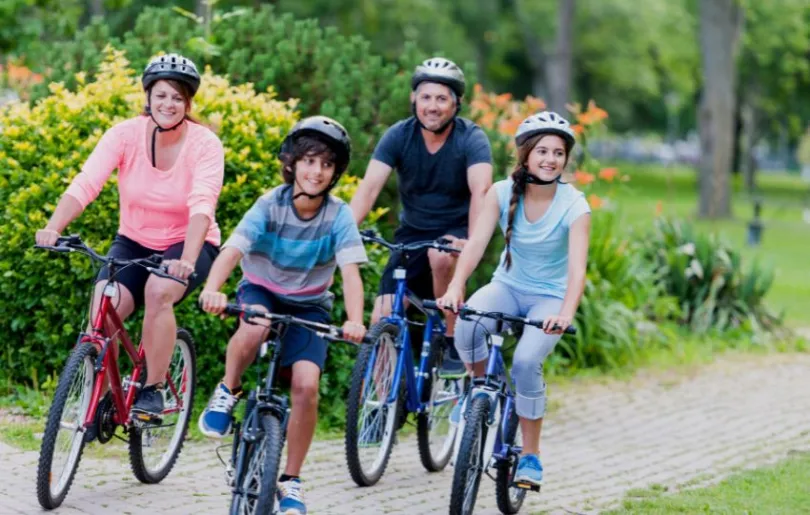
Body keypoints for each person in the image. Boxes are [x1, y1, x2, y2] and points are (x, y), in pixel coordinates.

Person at [35, 53, 224, 422]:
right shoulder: (124, 135)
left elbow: (202, 203)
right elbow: (87, 182)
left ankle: (152, 389)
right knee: (103, 308)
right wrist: (53, 227)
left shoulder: (204, 144)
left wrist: (187, 258)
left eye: (177, 97)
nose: (168, 104)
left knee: (159, 291)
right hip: (135, 240)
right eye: (161, 95)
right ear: (148, 96)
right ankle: (102, 394)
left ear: (188, 103)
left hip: (188, 243)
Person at [198, 116, 367, 515]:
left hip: (309, 305)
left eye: (326, 165)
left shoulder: (338, 215)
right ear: (292, 163)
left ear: (335, 173)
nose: (316, 171)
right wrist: (212, 288)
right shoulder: (270, 204)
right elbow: (234, 249)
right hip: (262, 290)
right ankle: (228, 388)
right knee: (255, 324)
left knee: (307, 385)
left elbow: (350, 273)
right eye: (309, 161)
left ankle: (291, 480)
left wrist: (355, 319)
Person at [437, 111, 591, 487]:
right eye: (542, 151)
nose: (550, 159)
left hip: (549, 299)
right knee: (469, 325)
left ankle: (531, 456)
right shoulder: (502, 192)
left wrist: (566, 313)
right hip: (507, 286)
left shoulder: (575, 206)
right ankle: (476, 390)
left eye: (558, 152)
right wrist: (457, 285)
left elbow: (577, 271)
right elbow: (475, 244)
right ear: (525, 155)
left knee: (525, 362)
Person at [350, 57, 493, 376]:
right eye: (426, 97)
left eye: (442, 98)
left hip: (453, 237)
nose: (433, 106)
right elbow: (369, 189)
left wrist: (470, 243)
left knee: (440, 255)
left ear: (456, 104)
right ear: (414, 99)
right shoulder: (399, 135)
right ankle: (382, 404)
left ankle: (453, 338)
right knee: (381, 319)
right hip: (410, 239)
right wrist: (341, 235)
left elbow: (480, 192)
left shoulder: (471, 138)